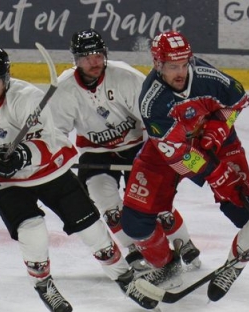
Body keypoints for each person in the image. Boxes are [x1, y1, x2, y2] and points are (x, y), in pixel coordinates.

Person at [0, 47, 129, 312]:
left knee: (90, 227)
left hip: (49, 171)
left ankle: (124, 275)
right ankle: (43, 284)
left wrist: (22, 154)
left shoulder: (28, 97)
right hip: (5, 182)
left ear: (5, 79)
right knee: (32, 230)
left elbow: (48, 139)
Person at [120, 31, 249, 306]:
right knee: (135, 222)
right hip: (169, 151)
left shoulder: (207, 76)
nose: (181, 72)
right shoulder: (152, 101)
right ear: (157, 64)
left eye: (184, 64)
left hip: (215, 143)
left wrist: (217, 129)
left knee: (248, 214)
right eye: (173, 66)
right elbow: (177, 152)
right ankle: (168, 265)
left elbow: (239, 101)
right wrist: (214, 172)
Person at [51, 29, 201, 285]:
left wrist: (151, 157)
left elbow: (152, 119)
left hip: (137, 147)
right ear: (75, 59)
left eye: (98, 55)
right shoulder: (64, 89)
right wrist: (59, 158)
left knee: (154, 201)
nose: (94, 62)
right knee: (107, 204)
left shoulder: (126, 77)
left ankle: (182, 241)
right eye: (86, 57)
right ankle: (135, 249)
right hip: (95, 154)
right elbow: (56, 134)